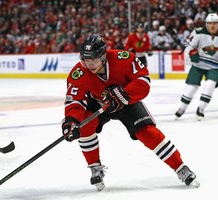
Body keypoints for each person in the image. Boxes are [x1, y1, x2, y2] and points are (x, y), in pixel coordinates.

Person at [61, 34, 199, 191]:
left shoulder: (123, 58)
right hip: (99, 104)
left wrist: (123, 94)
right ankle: (95, 167)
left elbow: (144, 81)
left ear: (103, 56)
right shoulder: (78, 72)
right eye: (86, 59)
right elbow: (75, 101)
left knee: (147, 132)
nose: (89, 63)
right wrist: (71, 120)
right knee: (84, 125)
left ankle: (180, 167)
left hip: (127, 101)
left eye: (94, 59)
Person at [175, 13, 218, 120]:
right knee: (191, 88)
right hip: (198, 64)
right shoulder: (198, 32)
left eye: (215, 23)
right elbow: (188, 46)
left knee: (210, 85)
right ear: (206, 24)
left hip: (215, 67)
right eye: (210, 23)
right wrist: (191, 53)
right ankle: (182, 108)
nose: (212, 25)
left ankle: (201, 108)